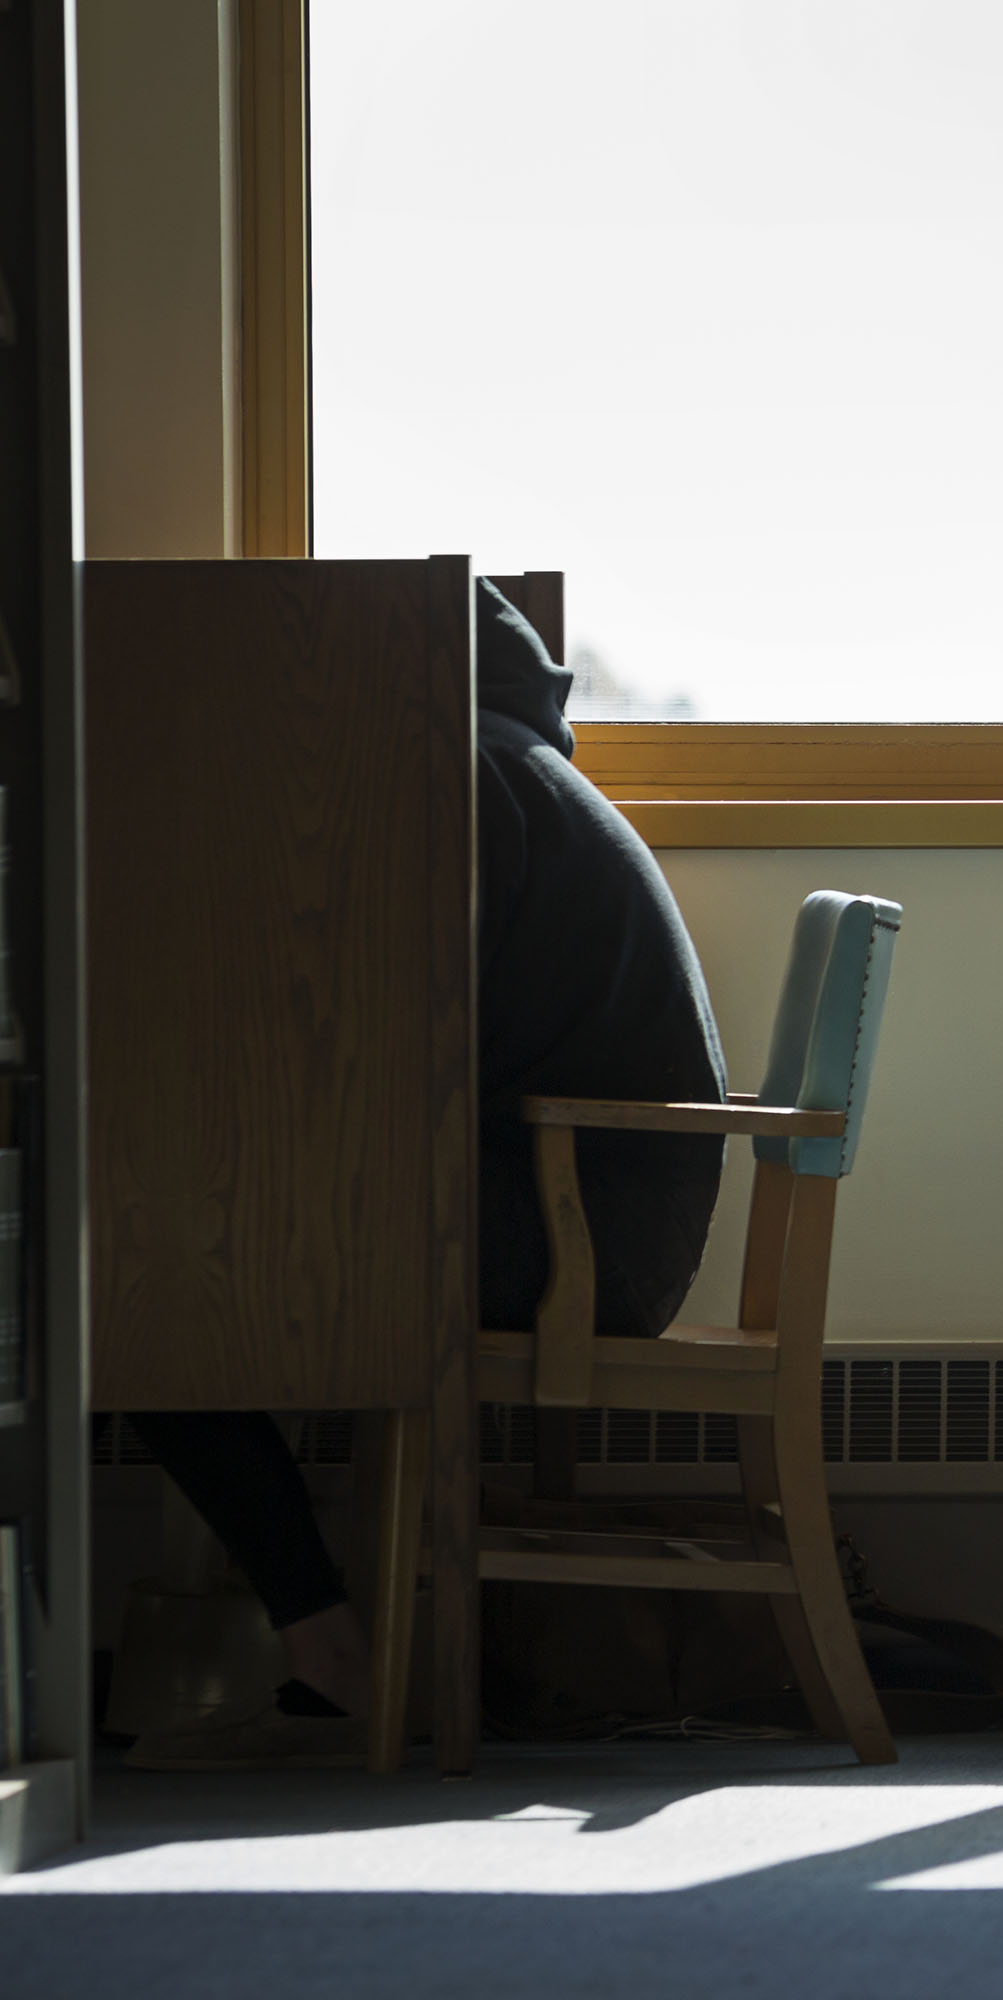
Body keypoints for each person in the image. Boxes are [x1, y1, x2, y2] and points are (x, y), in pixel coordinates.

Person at [126, 580, 729, 1769]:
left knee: (159, 1286)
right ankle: (332, 1640)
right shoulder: (508, 765)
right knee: (192, 1255)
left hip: (571, 1227)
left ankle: (328, 1645)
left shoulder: (460, 779)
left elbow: (368, 1043)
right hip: (587, 1211)